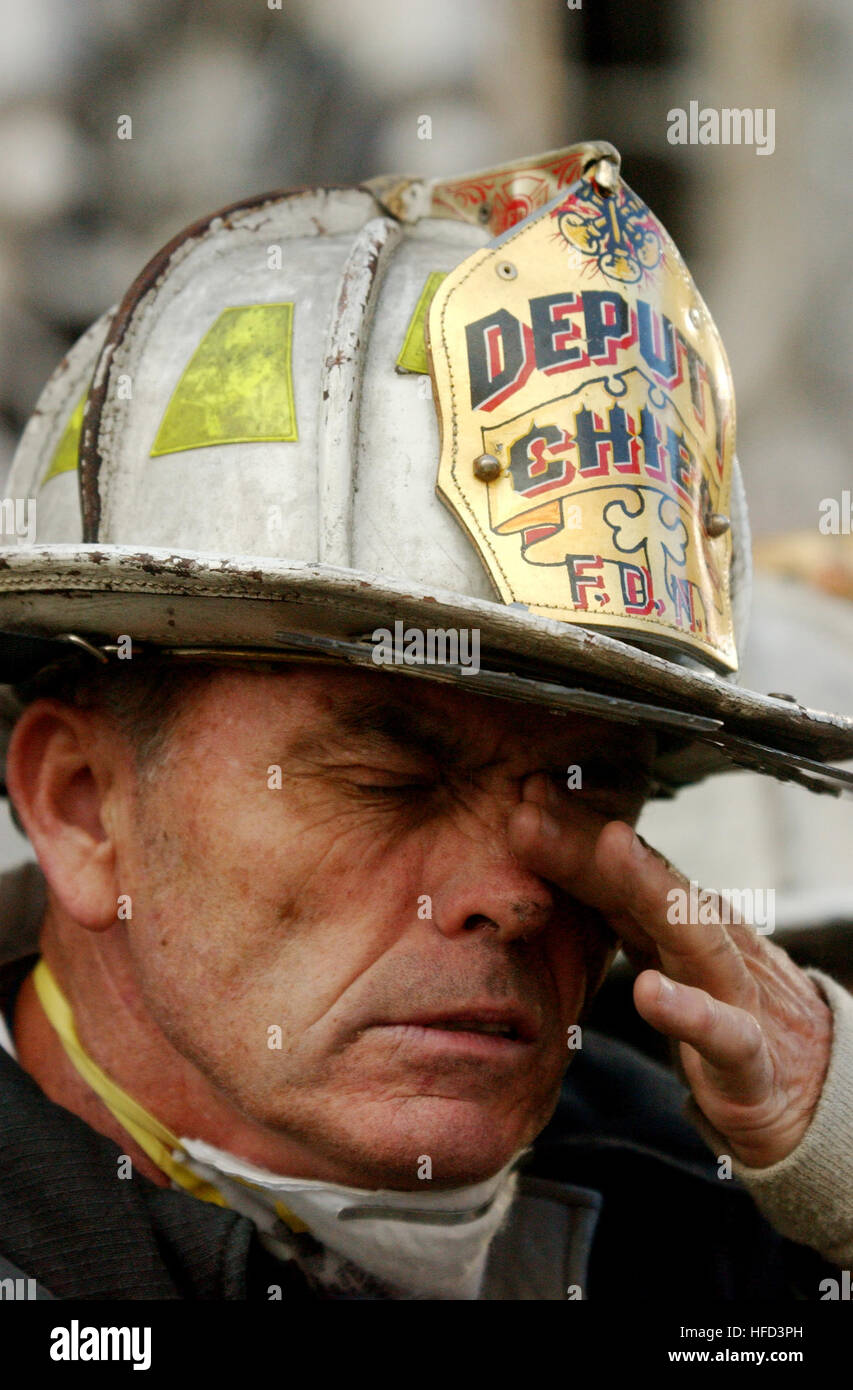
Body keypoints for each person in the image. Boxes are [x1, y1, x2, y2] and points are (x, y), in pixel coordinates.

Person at [0, 142, 851, 1302]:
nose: (513, 892)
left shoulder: (714, 1215)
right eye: (391, 775)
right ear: (83, 806)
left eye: (588, 782)